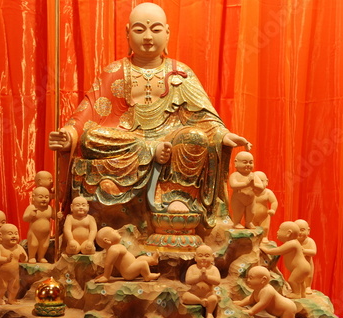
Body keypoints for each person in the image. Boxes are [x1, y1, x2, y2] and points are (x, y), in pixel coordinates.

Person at [48, 2, 251, 229]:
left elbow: (204, 117)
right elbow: (87, 114)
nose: (147, 37)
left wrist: (222, 135)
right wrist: (69, 133)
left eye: (155, 29)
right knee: (91, 137)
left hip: (170, 141)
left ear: (167, 33)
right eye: (139, 29)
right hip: (130, 141)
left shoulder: (181, 74)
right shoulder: (114, 71)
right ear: (127, 33)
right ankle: (150, 151)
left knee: (195, 138)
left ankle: (177, 196)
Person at [233, 266, 305, 318]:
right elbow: (251, 299)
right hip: (285, 309)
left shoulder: (267, 291)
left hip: (287, 309)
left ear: (263, 280)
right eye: (248, 277)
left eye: (251, 278)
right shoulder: (258, 289)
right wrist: (241, 303)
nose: (248, 280)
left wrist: (251, 311)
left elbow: (262, 304)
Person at [260, 221, 311, 299]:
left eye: (280, 230)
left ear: (288, 233)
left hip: (301, 267)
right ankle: (302, 293)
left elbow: (279, 250)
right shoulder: (294, 242)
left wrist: (267, 251)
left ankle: (296, 293)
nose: (277, 232)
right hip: (304, 267)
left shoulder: (292, 243)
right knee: (300, 281)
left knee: (292, 280)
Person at [94, 226, 160, 282]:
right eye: (113, 231)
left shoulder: (116, 246)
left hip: (132, 265)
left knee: (141, 258)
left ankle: (153, 260)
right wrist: (106, 276)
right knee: (143, 263)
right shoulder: (113, 249)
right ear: (107, 240)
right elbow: (109, 263)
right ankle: (147, 276)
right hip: (128, 272)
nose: (116, 230)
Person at [23, 187, 62, 263]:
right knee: (33, 244)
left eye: (46, 197)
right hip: (34, 233)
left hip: (45, 234)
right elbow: (25, 218)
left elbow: (55, 217)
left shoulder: (49, 208)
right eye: (41, 197)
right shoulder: (32, 208)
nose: (44, 199)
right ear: (33, 197)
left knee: (44, 246)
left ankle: (41, 257)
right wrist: (30, 215)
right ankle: (32, 257)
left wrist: (58, 216)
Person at [181, 244, 221, 318]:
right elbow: (188, 280)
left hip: (208, 294)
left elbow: (217, 281)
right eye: (200, 256)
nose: (203, 258)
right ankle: (200, 301)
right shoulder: (192, 268)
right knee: (185, 297)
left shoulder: (213, 269)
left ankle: (209, 313)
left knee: (213, 299)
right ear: (195, 257)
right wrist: (199, 277)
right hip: (194, 293)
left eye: (207, 256)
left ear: (212, 257)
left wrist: (207, 277)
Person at [0, 223, 28, 305]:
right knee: (2, 287)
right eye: (10, 234)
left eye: (16, 233)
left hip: (14, 274)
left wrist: (23, 257)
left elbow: (25, 259)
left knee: (15, 287)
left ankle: (11, 299)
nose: (14, 236)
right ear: (1, 236)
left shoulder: (18, 247)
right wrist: (6, 259)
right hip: (1, 274)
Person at [229, 151, 264, 229]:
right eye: (245, 162)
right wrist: (246, 184)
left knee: (251, 212)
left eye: (250, 162)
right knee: (238, 212)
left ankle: (249, 222)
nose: (248, 165)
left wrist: (253, 185)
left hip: (251, 200)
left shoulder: (253, 175)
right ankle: (236, 223)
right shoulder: (235, 175)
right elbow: (233, 185)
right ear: (236, 163)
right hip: (238, 199)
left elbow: (261, 187)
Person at [252, 171, 278, 242]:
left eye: (261, 181)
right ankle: (254, 238)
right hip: (251, 216)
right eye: (255, 181)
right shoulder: (250, 192)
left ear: (267, 182)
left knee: (265, 228)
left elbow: (274, 202)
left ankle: (264, 237)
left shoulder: (268, 192)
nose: (258, 184)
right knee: (252, 228)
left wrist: (273, 210)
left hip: (264, 216)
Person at [295, 219, 317, 294]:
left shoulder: (310, 241)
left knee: (308, 276)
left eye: (302, 230)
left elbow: (313, 252)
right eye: (297, 230)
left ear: (308, 231)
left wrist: (304, 251)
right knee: (296, 277)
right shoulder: (293, 242)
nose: (299, 233)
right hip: (297, 265)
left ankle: (308, 287)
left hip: (308, 264)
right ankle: (297, 288)